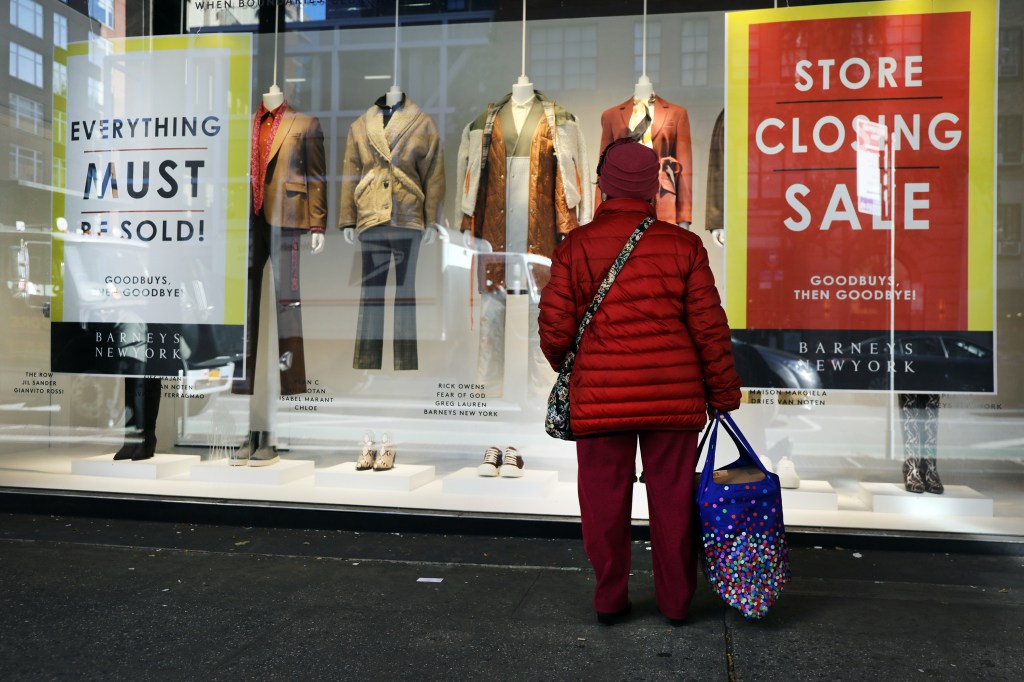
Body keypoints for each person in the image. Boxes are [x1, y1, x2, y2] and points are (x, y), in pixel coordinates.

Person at [538, 139, 742, 626]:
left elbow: (554, 331)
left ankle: (610, 598)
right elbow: (710, 329)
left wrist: (581, 368)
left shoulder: (575, 246)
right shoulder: (684, 247)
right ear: (653, 187)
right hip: (673, 399)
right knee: (672, 503)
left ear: (603, 184)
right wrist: (723, 392)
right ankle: (676, 603)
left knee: (603, 503)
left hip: (602, 400)